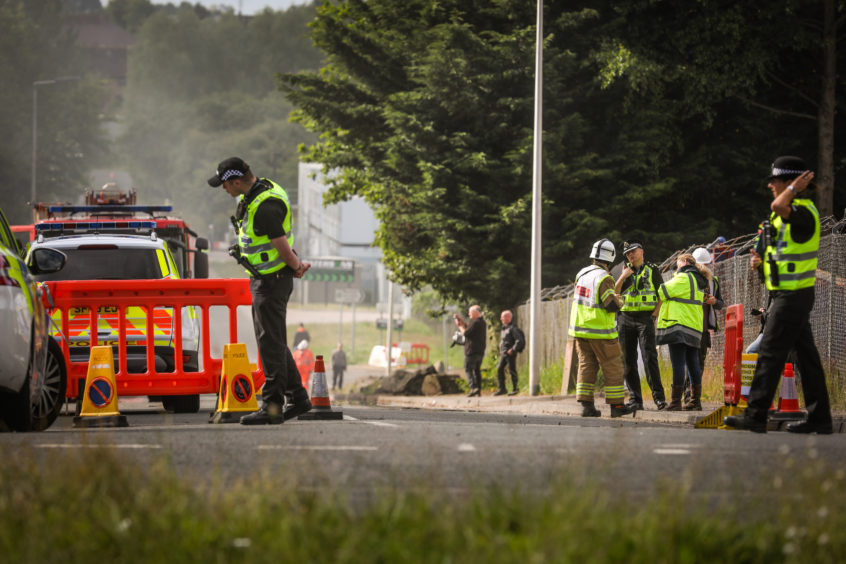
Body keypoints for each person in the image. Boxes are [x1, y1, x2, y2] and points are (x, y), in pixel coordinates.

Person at [725, 156, 833, 434]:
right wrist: (760, 265)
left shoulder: (802, 212)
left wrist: (794, 189)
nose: (771, 185)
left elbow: (778, 204)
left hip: (793, 296)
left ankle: (756, 415)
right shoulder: (789, 213)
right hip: (787, 295)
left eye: (776, 180)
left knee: (770, 353)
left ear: (791, 182)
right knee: (807, 359)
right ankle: (820, 418)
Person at [208, 156, 312, 425]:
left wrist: (297, 265)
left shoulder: (264, 205)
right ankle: (298, 397)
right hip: (267, 278)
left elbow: (280, 244)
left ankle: (272, 406)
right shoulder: (260, 192)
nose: (223, 189)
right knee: (273, 341)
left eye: (224, 184)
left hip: (272, 280)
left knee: (270, 344)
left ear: (237, 180)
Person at [568, 239, 632, 418]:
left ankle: (587, 406)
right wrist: (621, 300)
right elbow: (610, 304)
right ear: (610, 258)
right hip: (600, 331)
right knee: (613, 366)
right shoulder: (604, 277)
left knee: (586, 365)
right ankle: (617, 407)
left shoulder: (581, 273)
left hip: (580, 329)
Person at [614, 239, 667, 411]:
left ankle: (659, 398)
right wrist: (623, 276)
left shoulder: (652, 270)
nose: (630, 255)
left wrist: (654, 316)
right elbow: (614, 293)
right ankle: (636, 400)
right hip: (625, 319)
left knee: (649, 357)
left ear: (642, 252)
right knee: (628, 360)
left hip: (645, 319)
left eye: (633, 251)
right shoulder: (622, 271)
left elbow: (661, 294)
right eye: (628, 253)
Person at [655, 253, 707, 411]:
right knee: (693, 364)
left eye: (677, 263)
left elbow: (662, 291)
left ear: (684, 262)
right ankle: (695, 401)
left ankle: (676, 402)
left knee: (678, 364)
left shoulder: (683, 277)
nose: (676, 267)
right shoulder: (699, 281)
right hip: (694, 327)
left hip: (679, 326)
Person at [682, 247, 724, 410]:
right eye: (701, 264)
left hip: (703, 329)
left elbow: (721, 304)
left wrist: (714, 302)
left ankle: (695, 399)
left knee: (698, 364)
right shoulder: (686, 279)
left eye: (706, 264)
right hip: (689, 326)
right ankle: (688, 398)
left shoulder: (713, 281)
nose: (703, 268)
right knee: (688, 363)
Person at [454, 305, 486, 397]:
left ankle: (473, 388)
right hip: (480, 351)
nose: (468, 314)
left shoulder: (476, 322)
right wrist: (462, 321)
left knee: (468, 369)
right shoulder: (481, 322)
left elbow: (466, 333)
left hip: (472, 350)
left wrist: (459, 326)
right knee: (476, 370)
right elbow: (470, 329)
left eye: (470, 312)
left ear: (476, 312)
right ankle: (478, 390)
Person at [495, 310, 524, 396]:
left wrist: (513, 349)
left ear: (509, 318)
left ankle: (515, 388)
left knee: (512, 370)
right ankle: (502, 388)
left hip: (510, 353)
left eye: (503, 317)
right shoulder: (504, 328)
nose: (501, 319)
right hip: (504, 353)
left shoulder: (513, 328)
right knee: (500, 369)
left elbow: (519, 341)